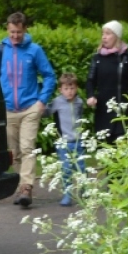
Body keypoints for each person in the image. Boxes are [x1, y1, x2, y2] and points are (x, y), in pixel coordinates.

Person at [0, 12, 56, 208]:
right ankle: (22, 188)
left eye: (18, 32)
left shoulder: (34, 50)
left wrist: (41, 101)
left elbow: (49, 76)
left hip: (30, 108)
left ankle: (26, 187)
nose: (15, 36)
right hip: (8, 109)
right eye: (12, 32)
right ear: (7, 29)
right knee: (15, 152)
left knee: (28, 148)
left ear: (25, 29)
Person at [84, 20, 128, 143]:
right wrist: (90, 96)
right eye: (103, 33)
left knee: (124, 149)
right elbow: (90, 80)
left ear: (117, 36)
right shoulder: (97, 58)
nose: (104, 37)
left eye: (108, 33)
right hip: (103, 111)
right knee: (106, 150)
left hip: (123, 109)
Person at [46, 71, 86, 206]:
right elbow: (47, 112)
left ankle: (83, 191)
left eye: (72, 88)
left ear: (77, 88)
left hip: (78, 141)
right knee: (66, 169)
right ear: (60, 89)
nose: (69, 91)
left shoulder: (79, 102)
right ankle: (67, 194)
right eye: (66, 89)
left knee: (80, 167)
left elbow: (81, 116)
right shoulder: (57, 102)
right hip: (64, 142)